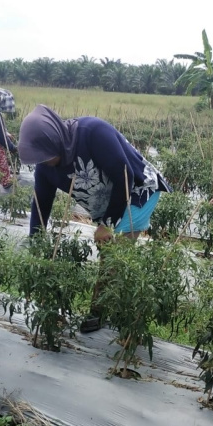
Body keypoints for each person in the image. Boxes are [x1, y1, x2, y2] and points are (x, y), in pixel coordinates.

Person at [17, 104, 172, 331]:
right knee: (109, 253)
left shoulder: (92, 132)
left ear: (54, 140)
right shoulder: (45, 168)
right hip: (109, 202)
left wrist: (106, 225)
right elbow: (41, 204)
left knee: (114, 255)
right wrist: (35, 241)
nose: (44, 161)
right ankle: (107, 305)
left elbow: (125, 177)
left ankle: (101, 312)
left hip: (138, 192)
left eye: (46, 155)